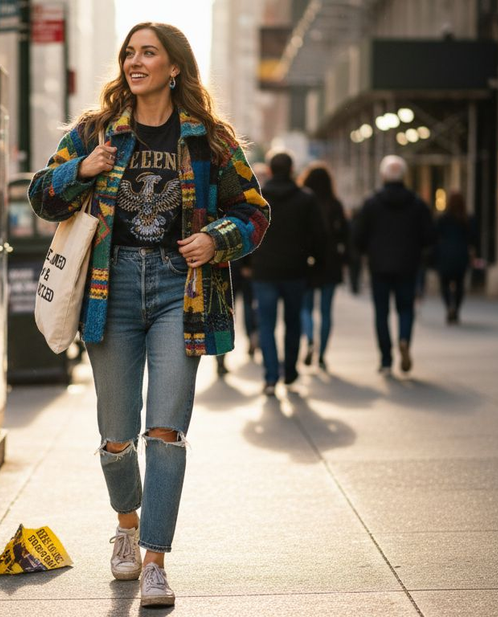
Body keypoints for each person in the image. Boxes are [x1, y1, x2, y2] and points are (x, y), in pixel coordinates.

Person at [28, 22, 269, 608]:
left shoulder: (207, 139)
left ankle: (156, 562)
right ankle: (127, 527)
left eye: (148, 53)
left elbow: (255, 211)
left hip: (178, 291)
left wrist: (216, 239)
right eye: (129, 53)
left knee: (166, 432)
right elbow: (41, 196)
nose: (135, 62)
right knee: (116, 436)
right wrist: (81, 170)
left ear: (174, 66)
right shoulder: (96, 131)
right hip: (109, 290)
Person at [249, 150, 324, 395]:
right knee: (293, 322)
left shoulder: (258, 197)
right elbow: (318, 235)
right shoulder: (306, 198)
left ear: (270, 170)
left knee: (266, 325)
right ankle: (290, 372)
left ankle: (271, 377)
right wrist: (315, 264)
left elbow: (247, 229)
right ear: (292, 170)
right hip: (296, 270)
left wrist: (247, 264)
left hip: (264, 270)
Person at [353, 155, 434, 375]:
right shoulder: (417, 203)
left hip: (379, 266)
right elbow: (429, 235)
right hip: (408, 264)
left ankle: (386, 360)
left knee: (382, 313)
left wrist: (365, 252)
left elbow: (358, 235)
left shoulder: (371, 203)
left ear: (383, 175)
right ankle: (404, 339)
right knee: (406, 308)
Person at [299, 162, 348, 371]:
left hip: (308, 260)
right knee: (326, 311)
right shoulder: (335, 204)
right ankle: (322, 356)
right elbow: (345, 234)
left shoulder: (304, 202)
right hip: (330, 262)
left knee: (306, 308)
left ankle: (310, 339)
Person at [433, 190, 473, 324]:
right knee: (459, 283)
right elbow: (472, 238)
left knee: (444, 283)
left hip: (445, 254)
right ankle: (455, 308)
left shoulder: (443, 218)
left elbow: (435, 235)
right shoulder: (466, 219)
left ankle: (449, 306)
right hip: (461, 254)